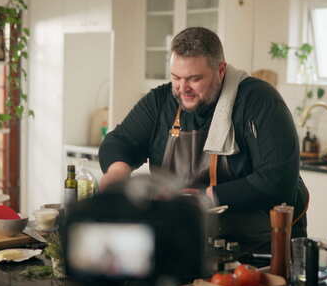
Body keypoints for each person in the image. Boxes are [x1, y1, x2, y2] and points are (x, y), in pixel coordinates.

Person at [98, 27, 307, 253]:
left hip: (261, 249)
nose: (182, 89)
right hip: (189, 243)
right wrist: (117, 173)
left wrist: (203, 198)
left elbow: (278, 180)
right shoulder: (161, 102)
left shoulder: (259, 101)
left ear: (221, 70)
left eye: (194, 79)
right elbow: (120, 141)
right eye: (176, 78)